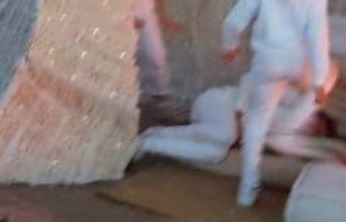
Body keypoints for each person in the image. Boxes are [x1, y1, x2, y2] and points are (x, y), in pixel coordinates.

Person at [222, 0, 331, 207]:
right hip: (299, 63)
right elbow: (318, 35)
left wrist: (229, 45)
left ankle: (247, 189)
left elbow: (235, 19)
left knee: (256, 122)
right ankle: (289, 131)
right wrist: (320, 81)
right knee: (321, 85)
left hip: (267, 62)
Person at [138, 65, 346, 166]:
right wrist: (238, 111)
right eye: (319, 124)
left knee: (216, 154)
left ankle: (150, 143)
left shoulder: (284, 136)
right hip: (219, 102)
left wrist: (330, 155)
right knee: (226, 135)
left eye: (317, 134)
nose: (313, 129)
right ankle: (157, 133)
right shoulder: (294, 99)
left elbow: (294, 147)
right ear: (320, 116)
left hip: (220, 129)